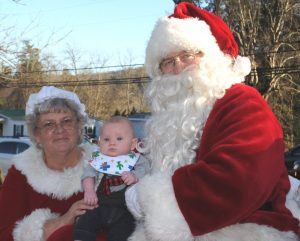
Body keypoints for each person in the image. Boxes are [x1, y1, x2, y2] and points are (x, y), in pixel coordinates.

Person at [125, 2, 300, 241]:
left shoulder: (243, 102)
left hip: (249, 228)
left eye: (186, 56)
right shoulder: (168, 121)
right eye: (168, 62)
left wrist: (153, 197)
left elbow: (241, 177)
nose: (177, 69)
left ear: (212, 59)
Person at [0, 86, 106, 241]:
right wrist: (61, 223)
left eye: (67, 121)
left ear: (79, 127)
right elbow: (4, 233)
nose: (59, 129)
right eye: (49, 124)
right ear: (37, 134)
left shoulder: (104, 165)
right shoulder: (21, 172)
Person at [73, 116, 150, 241]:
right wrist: (89, 190)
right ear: (99, 142)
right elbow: (88, 174)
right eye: (106, 139)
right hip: (99, 206)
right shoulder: (99, 159)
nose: (112, 143)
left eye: (119, 138)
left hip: (125, 210)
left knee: (123, 233)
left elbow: (146, 171)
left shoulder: (137, 159)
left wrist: (135, 176)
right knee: (83, 224)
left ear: (132, 143)